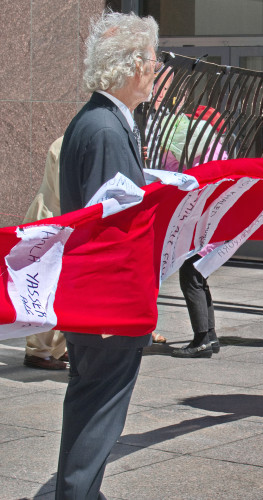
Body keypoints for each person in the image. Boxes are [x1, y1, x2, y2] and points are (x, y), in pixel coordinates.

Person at [56, 11, 160, 499]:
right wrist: (127, 310)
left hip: (96, 304)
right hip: (106, 307)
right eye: (152, 59)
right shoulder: (104, 128)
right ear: (129, 66)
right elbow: (112, 228)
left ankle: (81, 492)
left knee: (91, 410)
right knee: (97, 415)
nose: (157, 69)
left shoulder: (103, 120)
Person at [146, 72, 222, 358]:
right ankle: (210, 336)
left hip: (193, 216)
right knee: (198, 273)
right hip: (205, 215)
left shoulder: (184, 144)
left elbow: (167, 168)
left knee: (191, 274)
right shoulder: (211, 147)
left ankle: (202, 338)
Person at [22, 137, 68, 370]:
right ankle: (38, 350)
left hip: (63, 222)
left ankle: (58, 348)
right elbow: (64, 188)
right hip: (51, 220)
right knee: (44, 287)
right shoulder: (65, 142)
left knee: (62, 288)